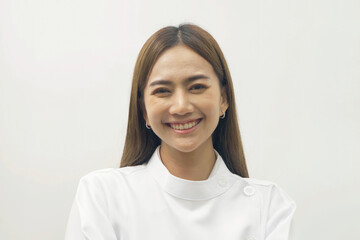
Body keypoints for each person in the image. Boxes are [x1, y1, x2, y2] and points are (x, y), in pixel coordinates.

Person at [65, 24, 296, 240]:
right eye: (162, 91)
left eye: (197, 87)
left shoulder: (268, 207)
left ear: (224, 98)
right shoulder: (102, 196)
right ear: (143, 109)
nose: (181, 106)